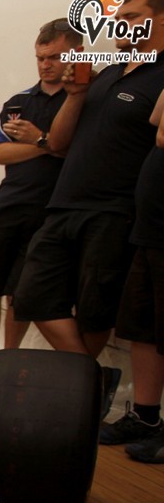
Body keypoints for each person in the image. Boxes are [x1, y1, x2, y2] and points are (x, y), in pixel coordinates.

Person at [13, 0, 164, 360]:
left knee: (95, 312)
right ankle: (86, 377)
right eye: (118, 17)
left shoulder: (161, 77)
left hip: (116, 212)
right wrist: (77, 95)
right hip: (63, 203)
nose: (120, 25)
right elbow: (58, 142)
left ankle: (78, 384)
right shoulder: (108, 73)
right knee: (29, 296)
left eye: (132, 17)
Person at [0, 21, 77, 392]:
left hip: (51, 212)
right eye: (40, 57)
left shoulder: (81, 103)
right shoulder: (17, 103)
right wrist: (48, 145)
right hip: (7, 206)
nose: (46, 64)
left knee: (21, 293)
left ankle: (9, 363)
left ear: (75, 54)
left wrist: (40, 139)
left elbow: (75, 151)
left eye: (54, 57)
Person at [99, 88, 164, 460]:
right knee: (143, 328)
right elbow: (155, 117)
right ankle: (146, 417)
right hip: (152, 227)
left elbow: (162, 133)